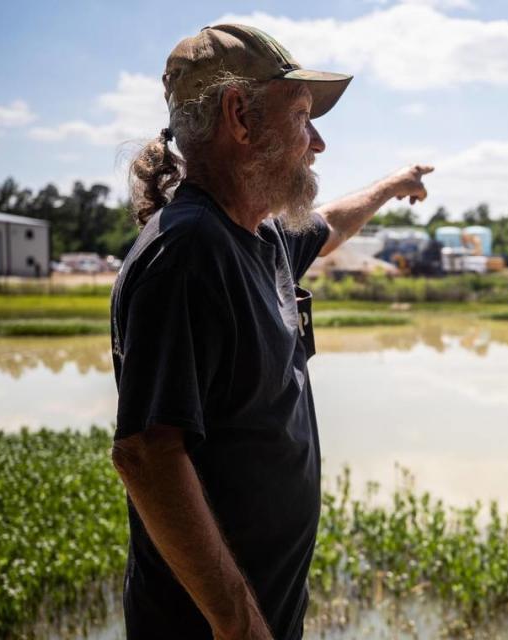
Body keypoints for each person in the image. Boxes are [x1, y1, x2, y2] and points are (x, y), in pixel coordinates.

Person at [109, 24, 433, 640]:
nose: (318, 143)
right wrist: (240, 625)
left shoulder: (259, 237)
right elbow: (148, 456)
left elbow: (329, 225)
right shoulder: (188, 252)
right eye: (304, 116)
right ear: (239, 116)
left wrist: (392, 186)